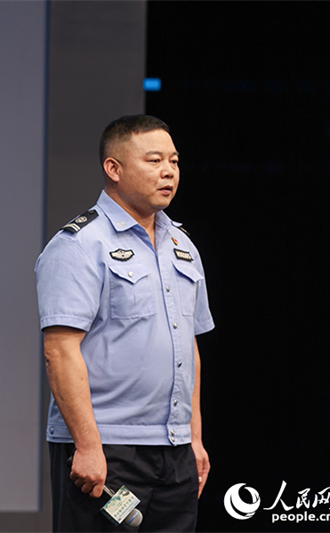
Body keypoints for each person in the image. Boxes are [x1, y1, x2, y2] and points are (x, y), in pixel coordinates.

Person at [35, 115, 214, 532]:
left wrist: (195, 438)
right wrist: (88, 445)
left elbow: (188, 347)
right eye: (154, 160)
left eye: (173, 160)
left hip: (173, 450)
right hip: (109, 450)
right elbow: (59, 352)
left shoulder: (182, 246)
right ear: (113, 169)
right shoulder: (79, 245)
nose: (168, 171)